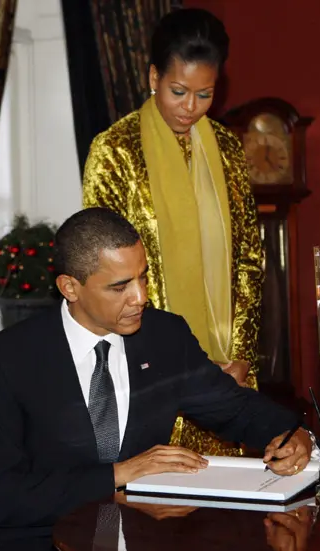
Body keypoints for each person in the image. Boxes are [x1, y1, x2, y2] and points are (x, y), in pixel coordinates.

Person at [0, 208, 316, 545]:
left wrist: (287, 431)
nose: (142, 297)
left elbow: (233, 407)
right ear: (70, 288)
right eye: (120, 286)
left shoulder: (164, 336)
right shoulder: (7, 360)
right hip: (40, 539)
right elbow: (0, 499)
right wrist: (120, 473)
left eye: (144, 276)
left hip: (142, 534)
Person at [82, 8, 263, 457]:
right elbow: (109, 274)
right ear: (153, 76)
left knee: (232, 519)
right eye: (178, 91)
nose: (190, 107)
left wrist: (238, 356)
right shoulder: (115, 151)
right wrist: (174, 366)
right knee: (156, 518)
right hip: (150, 373)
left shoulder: (227, 149)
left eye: (205, 94)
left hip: (228, 371)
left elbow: (249, 260)